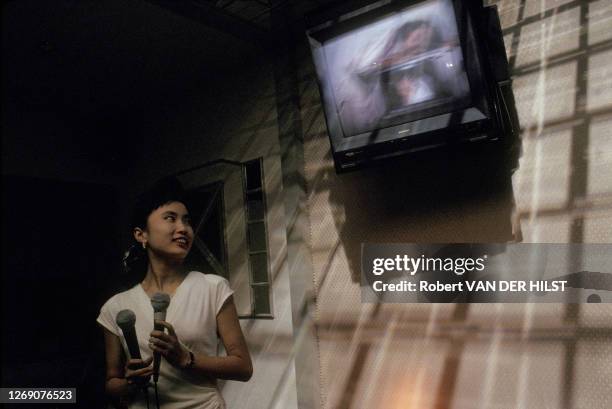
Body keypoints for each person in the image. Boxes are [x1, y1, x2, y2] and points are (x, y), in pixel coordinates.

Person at [97, 177, 252, 409]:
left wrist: (186, 358)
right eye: (170, 218)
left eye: (187, 221)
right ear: (141, 235)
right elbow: (111, 382)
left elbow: (243, 368)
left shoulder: (213, 288)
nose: (184, 228)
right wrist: (129, 383)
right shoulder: (115, 307)